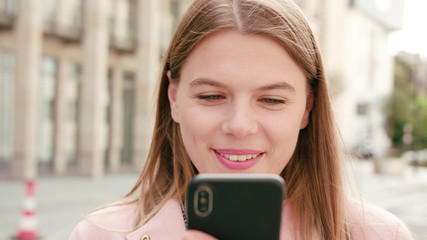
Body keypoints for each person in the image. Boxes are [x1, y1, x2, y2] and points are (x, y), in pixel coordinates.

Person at [69, 0, 414, 239]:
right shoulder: (100, 234)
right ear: (173, 98)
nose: (239, 125)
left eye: (271, 100)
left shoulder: (380, 235)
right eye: (211, 96)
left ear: (307, 108)